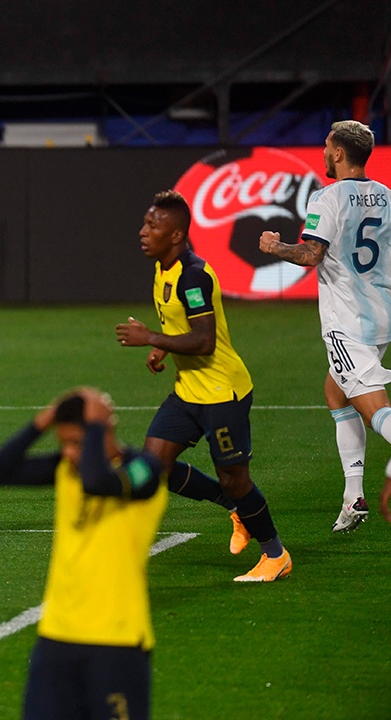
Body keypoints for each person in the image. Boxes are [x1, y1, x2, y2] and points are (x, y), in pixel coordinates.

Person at [116, 190, 291, 582]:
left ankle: (275, 554)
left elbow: (205, 340)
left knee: (237, 477)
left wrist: (152, 339)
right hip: (189, 389)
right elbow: (184, 329)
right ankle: (234, 506)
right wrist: (163, 348)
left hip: (221, 393)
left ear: (176, 235)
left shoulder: (192, 274)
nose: (143, 232)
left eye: (153, 226)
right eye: (145, 223)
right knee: (155, 464)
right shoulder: (165, 267)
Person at [0, 388, 167, 720]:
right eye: (63, 443)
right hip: (56, 639)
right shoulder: (65, 468)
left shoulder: (146, 470)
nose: (69, 453)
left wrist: (96, 427)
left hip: (117, 642)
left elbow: (97, 482)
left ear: (105, 431)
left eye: (77, 443)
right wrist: (43, 421)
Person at [259, 119, 391, 529]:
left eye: (326, 145)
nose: (323, 151)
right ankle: (353, 497)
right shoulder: (386, 195)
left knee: (375, 410)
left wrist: (274, 246)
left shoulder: (327, 197)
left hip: (347, 321)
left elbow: (312, 254)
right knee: (335, 393)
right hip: (382, 314)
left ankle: (357, 495)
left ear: (337, 152)